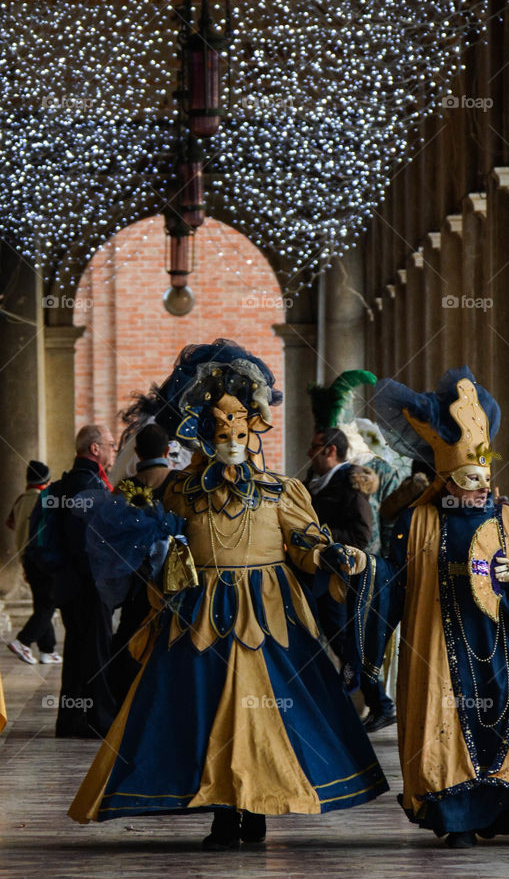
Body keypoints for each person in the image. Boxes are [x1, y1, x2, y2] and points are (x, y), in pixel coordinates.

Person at [69, 339, 388, 848]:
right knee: (204, 710)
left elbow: (303, 540)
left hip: (268, 614)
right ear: (202, 434)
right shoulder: (178, 490)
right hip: (197, 616)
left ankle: (255, 807)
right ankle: (222, 808)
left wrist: (330, 555)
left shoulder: (282, 491)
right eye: (220, 432)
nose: (231, 440)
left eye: (240, 430)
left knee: (261, 714)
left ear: (254, 431)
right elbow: (160, 541)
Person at [328, 366, 509, 849]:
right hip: (439, 647)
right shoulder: (418, 523)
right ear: (447, 481)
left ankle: (504, 809)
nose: (479, 491)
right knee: (447, 724)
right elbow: (392, 580)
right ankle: (458, 817)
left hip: (502, 642)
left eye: (484, 480)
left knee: (507, 720)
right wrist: (364, 568)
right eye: (469, 482)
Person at [306, 372, 396, 731]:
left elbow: (360, 533)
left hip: (341, 578)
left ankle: (378, 702)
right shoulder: (316, 482)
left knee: (347, 643)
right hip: (319, 573)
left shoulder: (349, 484)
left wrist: (322, 536)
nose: (309, 454)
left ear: (330, 450)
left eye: (314, 448)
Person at [54, 424, 117, 738]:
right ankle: (99, 720)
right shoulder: (84, 484)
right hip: (87, 584)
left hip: (77, 583)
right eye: (110, 444)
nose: (113, 450)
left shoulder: (79, 480)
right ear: (95, 449)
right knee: (95, 651)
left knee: (81, 651)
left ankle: (73, 721)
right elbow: (85, 541)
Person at [107, 423, 174, 706]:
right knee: (170, 633)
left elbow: (111, 530)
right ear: (168, 450)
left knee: (129, 631)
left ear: (136, 452)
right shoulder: (179, 482)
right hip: (174, 575)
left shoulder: (125, 487)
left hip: (136, 573)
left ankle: (124, 698)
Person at [5, 460, 60, 664]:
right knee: (49, 605)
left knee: (42, 604)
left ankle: (48, 650)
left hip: (26, 559)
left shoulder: (20, 500)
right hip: (40, 558)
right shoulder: (43, 500)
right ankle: (23, 641)